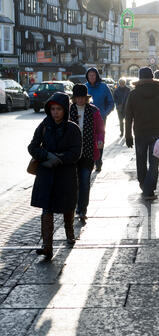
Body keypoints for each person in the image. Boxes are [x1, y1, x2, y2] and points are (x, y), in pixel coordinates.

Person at [28, 92, 82, 260]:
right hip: (47, 175)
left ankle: (69, 232)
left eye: (59, 109)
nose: (55, 112)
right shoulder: (44, 125)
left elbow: (76, 153)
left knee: (67, 206)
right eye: (53, 109)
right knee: (47, 208)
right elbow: (32, 146)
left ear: (65, 110)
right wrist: (46, 156)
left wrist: (59, 159)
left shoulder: (73, 128)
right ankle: (47, 246)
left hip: (65, 175)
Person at [125, 67, 159, 201]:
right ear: (152, 77)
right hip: (157, 132)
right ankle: (149, 189)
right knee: (155, 162)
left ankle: (144, 185)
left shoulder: (133, 94)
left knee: (141, 161)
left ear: (139, 78)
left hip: (140, 132)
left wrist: (128, 135)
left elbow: (128, 117)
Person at [70, 84, 105, 223]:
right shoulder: (68, 110)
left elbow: (100, 129)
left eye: (82, 97)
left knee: (84, 181)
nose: (80, 100)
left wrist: (100, 141)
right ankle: (73, 207)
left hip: (88, 151)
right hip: (72, 153)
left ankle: (82, 210)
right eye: (77, 97)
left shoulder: (94, 111)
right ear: (74, 98)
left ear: (86, 98)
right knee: (74, 183)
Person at [85, 67, 114, 172]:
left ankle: (98, 161)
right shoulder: (85, 87)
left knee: (99, 139)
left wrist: (104, 113)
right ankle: (90, 161)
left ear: (97, 76)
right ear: (87, 77)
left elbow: (111, 102)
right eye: (90, 75)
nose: (92, 77)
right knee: (89, 139)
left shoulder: (104, 87)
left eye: (94, 75)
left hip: (101, 118)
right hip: (87, 118)